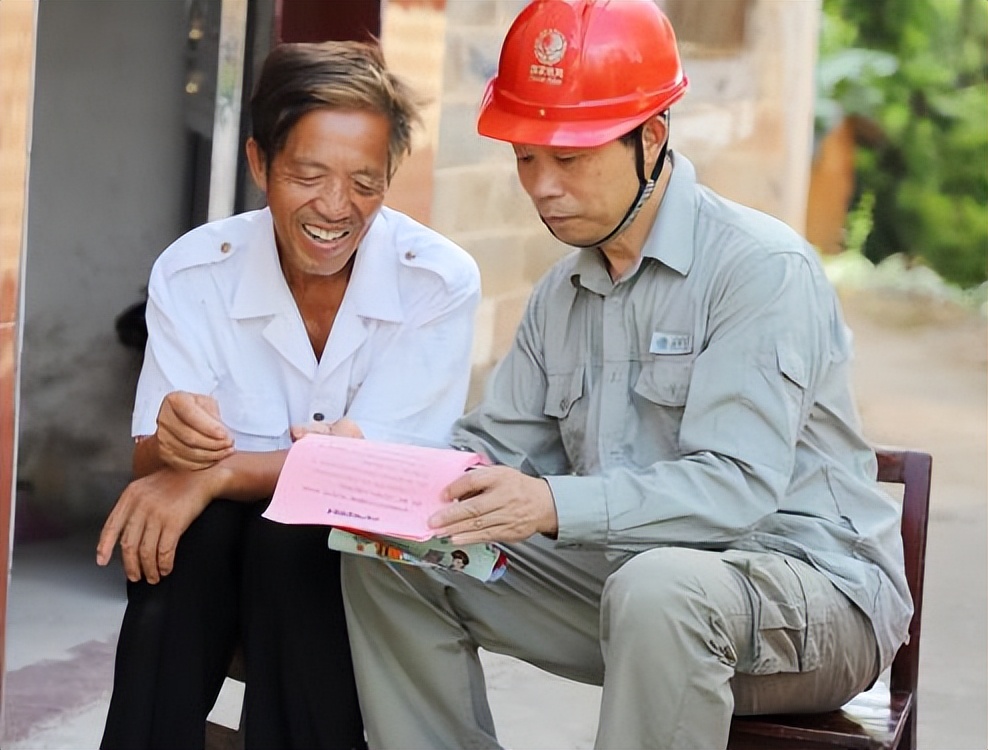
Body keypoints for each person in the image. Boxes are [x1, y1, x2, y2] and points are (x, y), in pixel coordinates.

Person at [340, 2, 913, 748]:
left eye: (569, 159)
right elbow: (492, 456)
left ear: (653, 135)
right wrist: (371, 467)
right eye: (525, 157)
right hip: (635, 589)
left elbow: (736, 486)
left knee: (660, 590)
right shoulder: (562, 293)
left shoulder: (759, 269)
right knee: (394, 556)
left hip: (809, 601)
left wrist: (549, 503)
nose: (542, 186)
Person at [96, 40, 480, 750]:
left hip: (360, 551)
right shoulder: (192, 271)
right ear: (258, 163)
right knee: (182, 535)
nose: (336, 207)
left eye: (366, 182)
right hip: (226, 550)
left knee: (294, 537)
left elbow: (377, 480)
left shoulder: (436, 280)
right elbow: (153, 469)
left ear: (390, 176)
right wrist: (176, 447)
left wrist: (213, 473)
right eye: (308, 174)